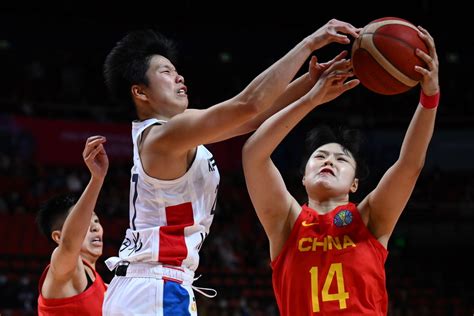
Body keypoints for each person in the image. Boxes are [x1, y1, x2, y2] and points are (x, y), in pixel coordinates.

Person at [101, 20, 361, 315]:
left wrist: (309, 83)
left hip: (152, 286)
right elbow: (248, 104)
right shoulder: (162, 136)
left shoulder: (173, 131)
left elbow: (251, 118)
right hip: (155, 287)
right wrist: (309, 44)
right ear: (141, 93)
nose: (179, 77)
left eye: (176, 70)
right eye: (166, 72)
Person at [242, 26, 439, 315]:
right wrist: (310, 99)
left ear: (355, 184)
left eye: (342, 159)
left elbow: (409, 164)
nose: (329, 161)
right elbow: (253, 154)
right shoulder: (286, 222)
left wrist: (430, 96)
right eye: (320, 156)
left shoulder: (370, 218)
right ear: (304, 177)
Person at [37, 136, 109, 315]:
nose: (94, 227)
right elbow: (70, 244)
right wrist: (97, 179)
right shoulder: (62, 272)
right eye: (87, 222)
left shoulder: (106, 288)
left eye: (97, 221)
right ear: (58, 236)